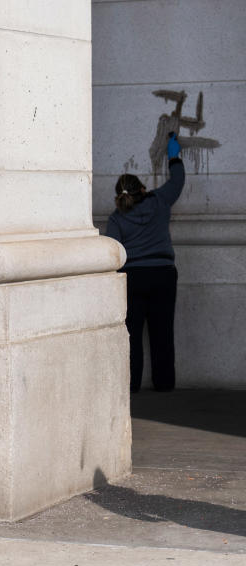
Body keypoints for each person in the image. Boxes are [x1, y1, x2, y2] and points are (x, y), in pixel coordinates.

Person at [104, 133, 185, 393]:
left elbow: (113, 251)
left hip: (133, 278)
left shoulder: (116, 218)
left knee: (132, 334)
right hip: (162, 274)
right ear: (142, 188)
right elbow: (179, 181)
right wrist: (173, 156)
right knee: (163, 333)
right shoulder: (159, 201)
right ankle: (164, 384)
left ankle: (132, 384)